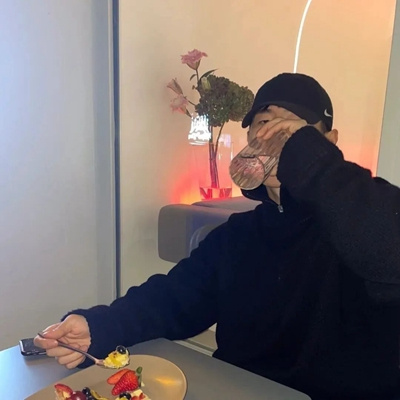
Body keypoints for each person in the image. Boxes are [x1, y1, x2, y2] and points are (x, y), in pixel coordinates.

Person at [35, 73, 400, 400]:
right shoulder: (236, 236)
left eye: (291, 128)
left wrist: (309, 158)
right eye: (262, 124)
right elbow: (174, 299)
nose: (271, 137)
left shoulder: (360, 224)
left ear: (326, 142)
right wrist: (98, 326)